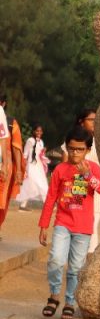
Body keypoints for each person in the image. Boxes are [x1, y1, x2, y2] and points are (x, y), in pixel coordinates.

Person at [39, 125, 100, 319]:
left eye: (79, 149)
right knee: (55, 260)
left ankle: (69, 301)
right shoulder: (60, 169)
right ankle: (54, 296)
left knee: (76, 267)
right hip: (63, 222)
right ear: (66, 148)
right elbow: (51, 197)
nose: (75, 153)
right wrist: (43, 225)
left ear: (87, 150)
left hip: (83, 227)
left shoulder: (93, 168)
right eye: (71, 148)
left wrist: (87, 175)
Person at [61, 108, 100, 253]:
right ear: (82, 122)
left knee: (92, 228)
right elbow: (65, 166)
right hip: (77, 189)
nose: (94, 122)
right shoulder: (72, 141)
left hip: (96, 189)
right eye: (91, 120)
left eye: (96, 119)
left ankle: (87, 263)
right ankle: (80, 265)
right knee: (79, 229)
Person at [0, 94, 25, 231]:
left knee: (1, 200)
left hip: (5, 166)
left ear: (3, 104)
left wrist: (19, 171)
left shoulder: (10, 123)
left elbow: (16, 147)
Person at [17, 125, 49, 209]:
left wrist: (43, 152)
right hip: (31, 166)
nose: (39, 133)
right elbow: (25, 154)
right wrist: (22, 167)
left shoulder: (41, 142)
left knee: (42, 184)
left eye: (40, 131)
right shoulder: (30, 140)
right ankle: (23, 205)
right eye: (37, 131)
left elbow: (40, 155)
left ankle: (46, 204)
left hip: (39, 166)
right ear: (34, 131)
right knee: (30, 184)